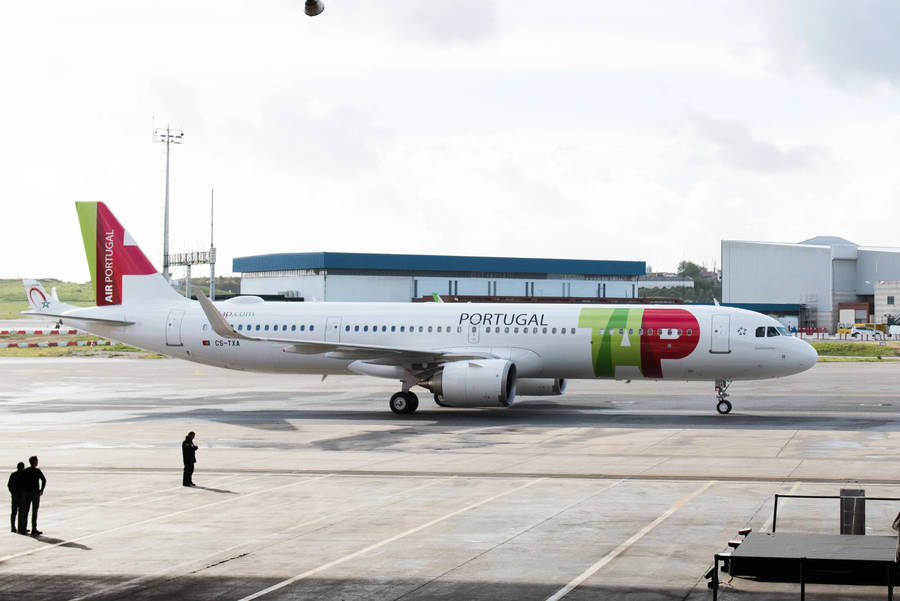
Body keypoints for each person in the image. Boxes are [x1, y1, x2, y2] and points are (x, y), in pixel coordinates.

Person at [17, 456, 45, 536]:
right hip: (35, 494)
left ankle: (23, 529)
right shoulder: (37, 471)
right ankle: (34, 529)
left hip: (26, 493)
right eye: (36, 461)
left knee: (26, 511)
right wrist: (41, 490)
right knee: (34, 512)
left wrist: (23, 490)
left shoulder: (25, 471)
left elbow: (19, 481)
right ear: (34, 462)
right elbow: (44, 480)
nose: (37, 462)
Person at [7, 462, 24, 533]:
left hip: (14, 495)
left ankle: (13, 527)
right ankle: (21, 527)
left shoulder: (13, 474)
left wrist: (12, 492)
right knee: (21, 512)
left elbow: (9, 485)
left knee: (14, 512)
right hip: (21, 496)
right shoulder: (23, 475)